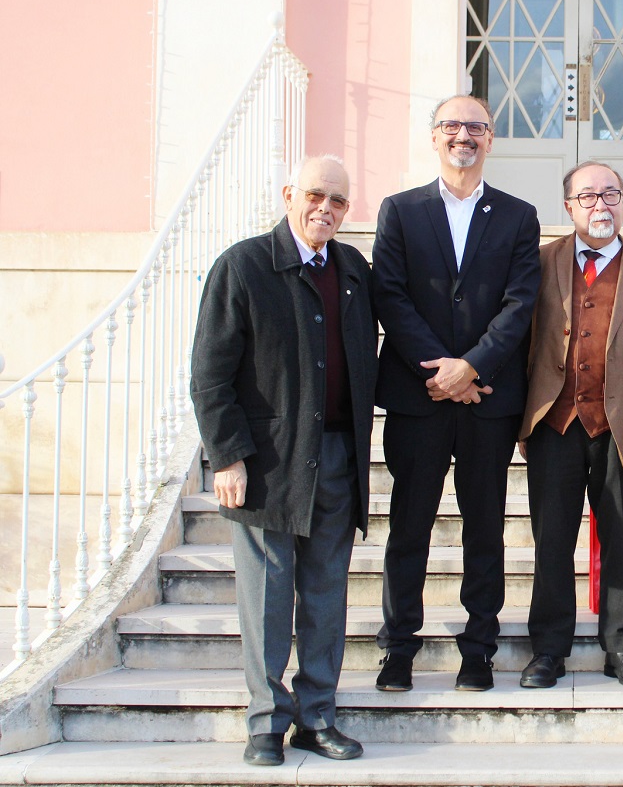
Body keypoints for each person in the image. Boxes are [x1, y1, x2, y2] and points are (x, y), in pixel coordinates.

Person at [191, 154, 375, 766]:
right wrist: (227, 456)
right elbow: (210, 373)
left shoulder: (352, 268)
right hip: (267, 460)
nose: (327, 208)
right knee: (267, 595)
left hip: (339, 455)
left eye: (340, 201)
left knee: (326, 592)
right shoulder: (244, 266)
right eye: (317, 195)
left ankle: (317, 715)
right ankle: (266, 723)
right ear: (289, 193)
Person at [372, 94, 541, 693]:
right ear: (434, 135)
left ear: (491, 139)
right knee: (409, 526)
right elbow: (389, 296)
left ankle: (480, 648)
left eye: (475, 127)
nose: (463, 136)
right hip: (420, 399)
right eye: (452, 125)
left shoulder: (520, 216)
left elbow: (521, 303)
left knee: (484, 527)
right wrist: (441, 373)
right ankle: (398, 649)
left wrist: (470, 367)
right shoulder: (400, 210)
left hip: (489, 398)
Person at [517, 161, 623, 689]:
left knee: (620, 538)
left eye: (610, 194)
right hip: (554, 423)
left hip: (621, 429)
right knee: (552, 540)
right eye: (587, 196)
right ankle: (548, 650)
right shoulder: (539, 263)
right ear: (568, 206)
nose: (600, 204)